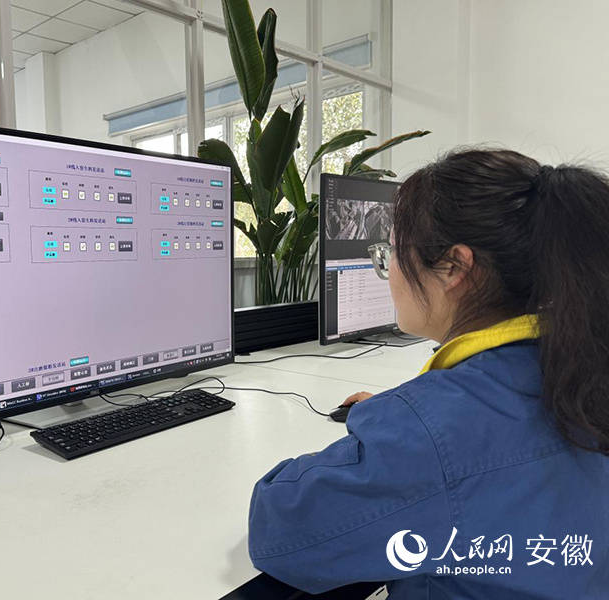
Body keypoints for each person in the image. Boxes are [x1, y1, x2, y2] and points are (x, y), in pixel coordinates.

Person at [247, 149, 608, 599]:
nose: (389, 272)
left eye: (392, 252)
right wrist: (412, 414)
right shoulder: (582, 362)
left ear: (454, 267)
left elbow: (278, 527)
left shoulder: (434, 433)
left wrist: (406, 426)